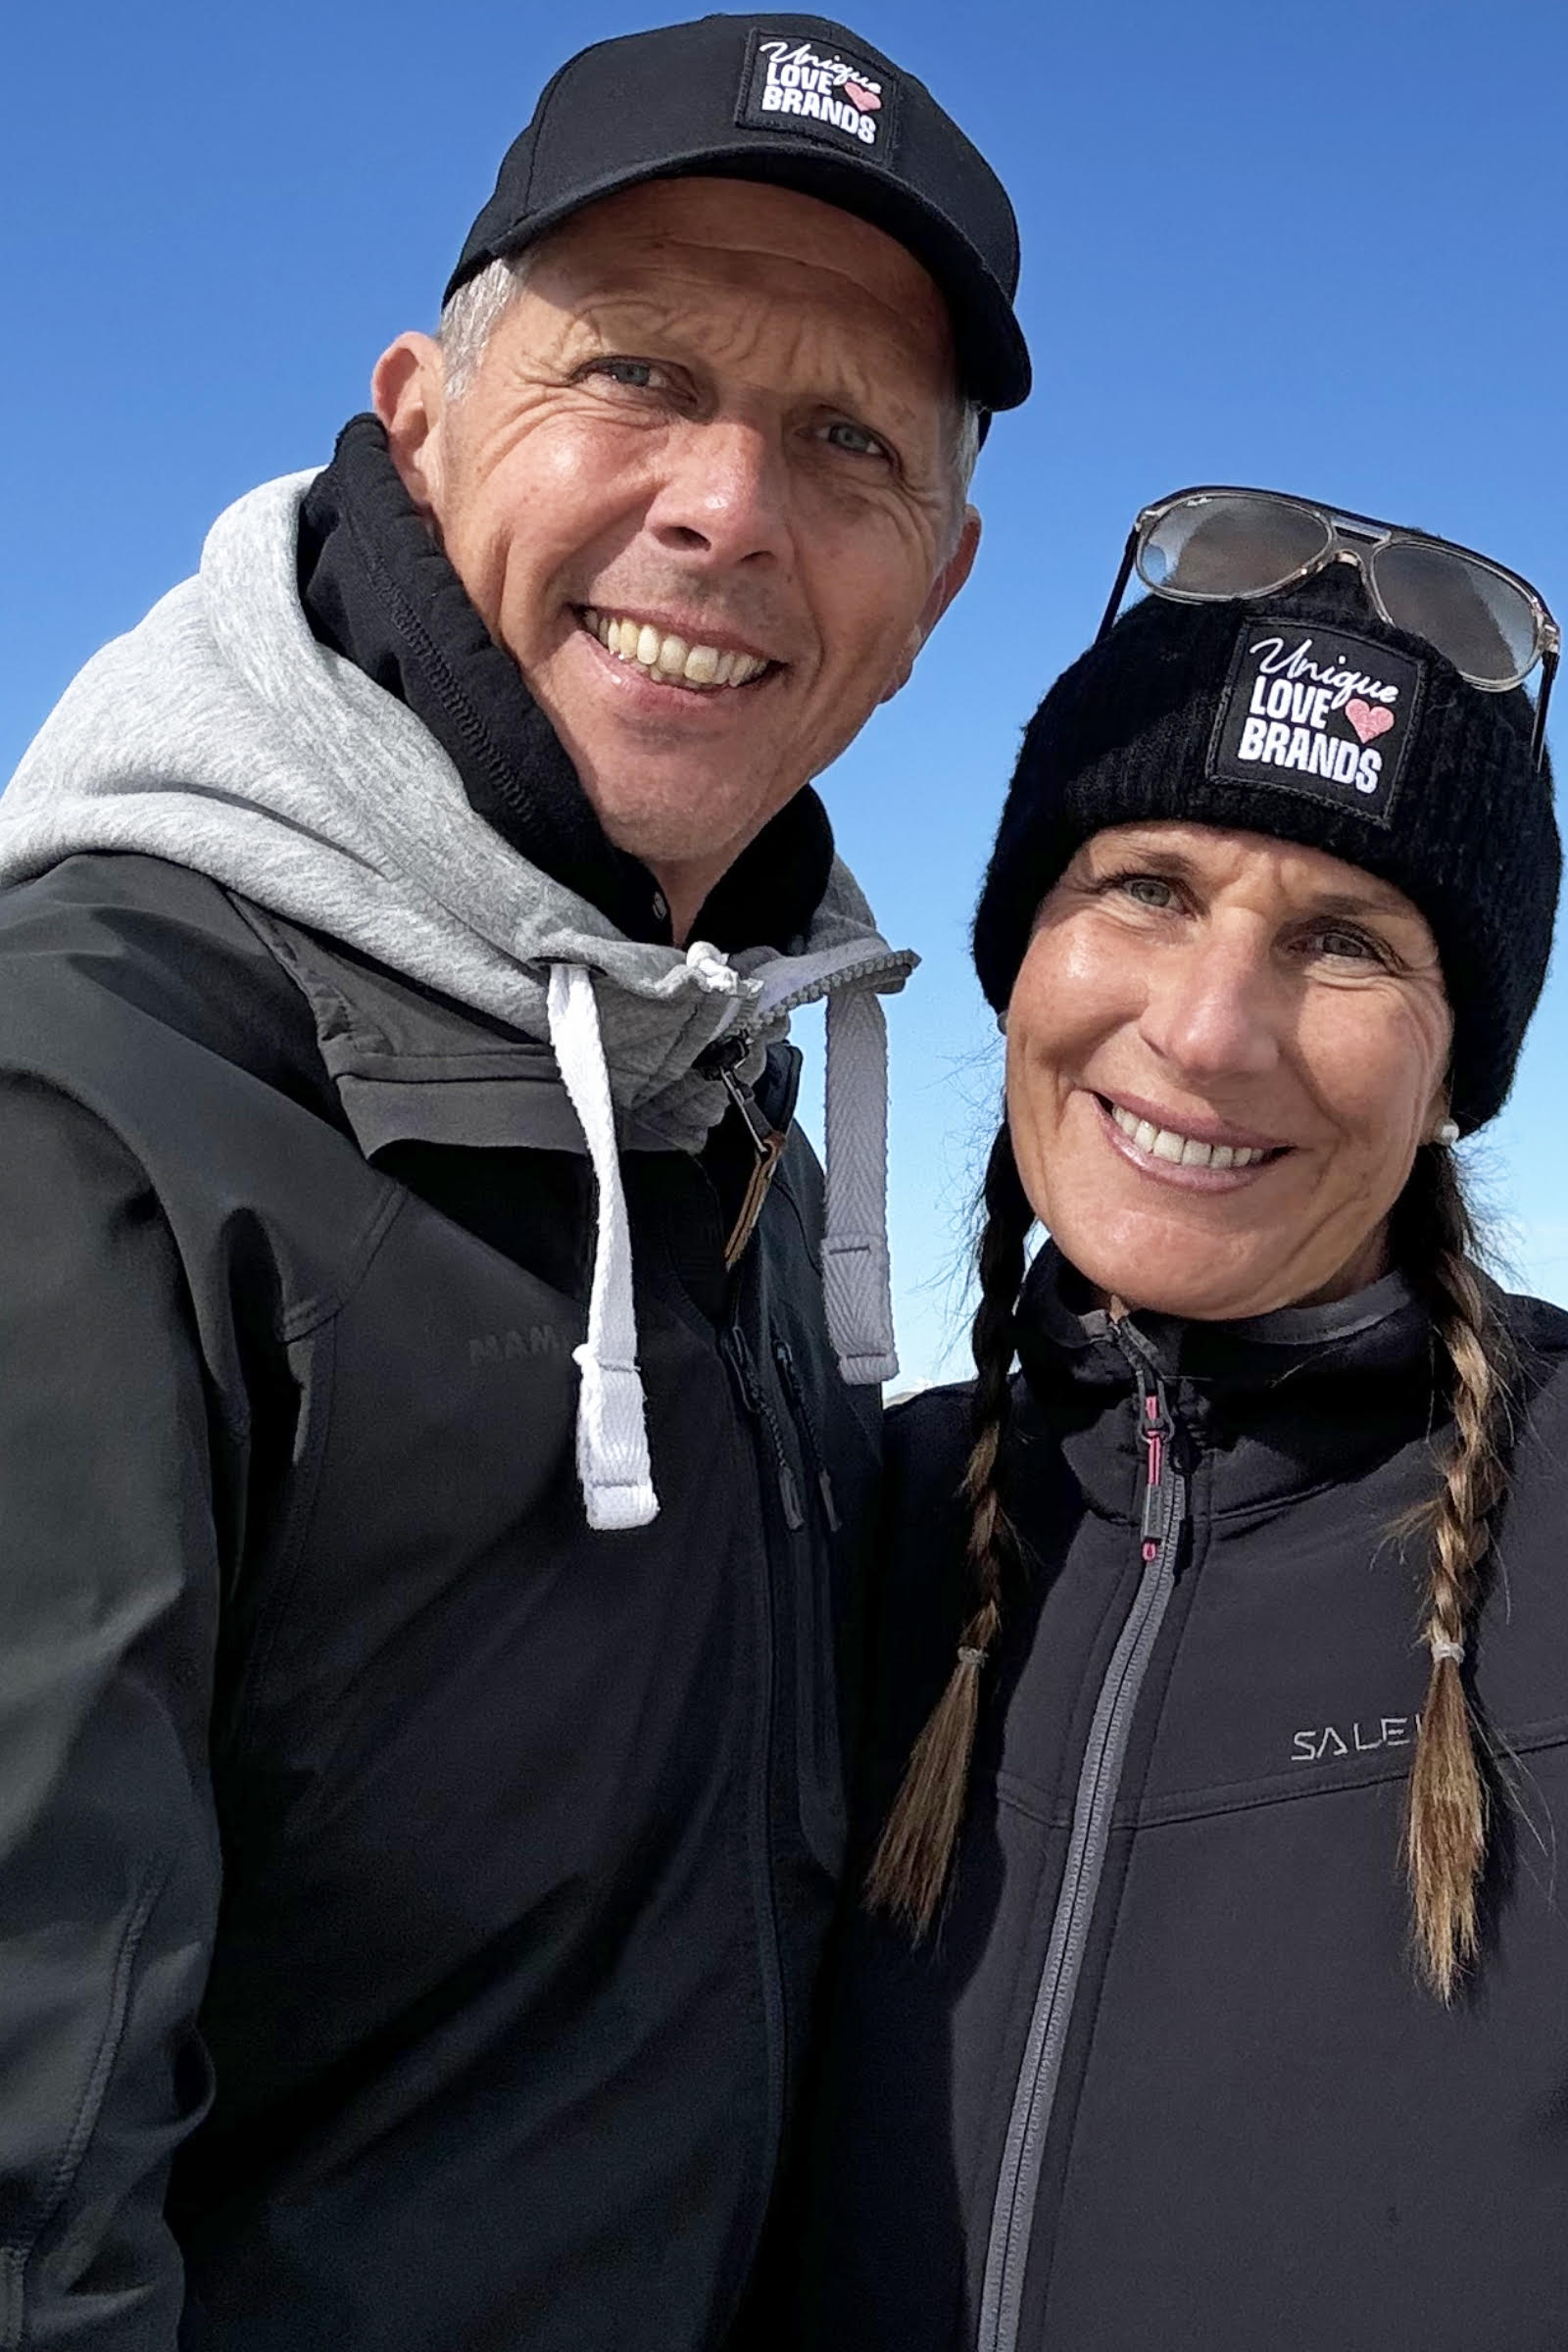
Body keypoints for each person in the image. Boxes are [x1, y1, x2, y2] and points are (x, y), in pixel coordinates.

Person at [0, 16, 1029, 2349]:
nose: (728, 509)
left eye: (845, 438)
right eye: (639, 375)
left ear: (937, 581)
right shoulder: (89, 1102)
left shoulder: (716, 1100)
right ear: (418, 412)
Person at [798, 492, 1568, 2351]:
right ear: (1024, 954)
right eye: (1144, 889)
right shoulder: (839, 1520)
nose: (1212, 1030)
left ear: (1457, 1068)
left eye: (1349, 941)